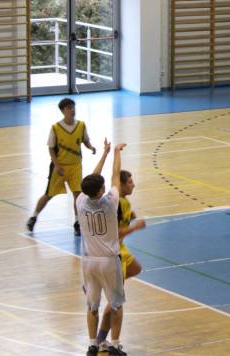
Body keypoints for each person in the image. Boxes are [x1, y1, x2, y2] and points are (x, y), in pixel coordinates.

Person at [77, 140, 128, 356]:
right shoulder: (110, 203)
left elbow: (90, 179)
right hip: (108, 261)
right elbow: (116, 175)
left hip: (89, 263)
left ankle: (92, 344)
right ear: (101, 190)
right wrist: (115, 152)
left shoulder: (80, 201)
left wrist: (104, 155)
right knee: (116, 304)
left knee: (92, 306)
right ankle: (115, 345)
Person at [27, 98, 96, 236]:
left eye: (73, 107)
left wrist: (91, 147)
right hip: (60, 167)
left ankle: (77, 223)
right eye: (69, 108)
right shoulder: (56, 128)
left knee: (78, 195)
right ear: (63, 111)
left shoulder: (81, 125)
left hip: (75, 166)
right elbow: (51, 149)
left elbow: (85, 140)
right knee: (49, 195)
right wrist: (57, 165)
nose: (72, 110)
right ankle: (33, 217)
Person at [95, 169, 146, 351]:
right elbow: (115, 233)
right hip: (112, 251)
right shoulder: (116, 204)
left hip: (119, 249)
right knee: (115, 302)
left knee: (136, 268)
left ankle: (101, 340)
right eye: (130, 182)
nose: (134, 185)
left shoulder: (124, 202)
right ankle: (103, 341)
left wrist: (129, 216)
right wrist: (135, 227)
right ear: (122, 185)